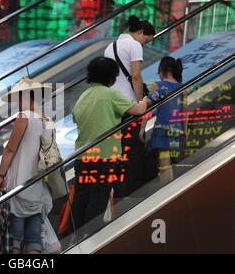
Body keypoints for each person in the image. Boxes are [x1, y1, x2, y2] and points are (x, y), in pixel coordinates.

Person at [71, 57, 150, 233]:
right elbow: (138, 110)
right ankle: (90, 237)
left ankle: (73, 239)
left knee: (80, 199)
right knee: (99, 198)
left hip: (82, 157)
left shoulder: (83, 96)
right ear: (111, 77)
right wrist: (146, 99)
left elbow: (75, 118)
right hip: (104, 157)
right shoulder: (110, 94)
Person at [0, 77, 52, 254]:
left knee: (15, 242)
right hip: (38, 187)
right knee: (34, 240)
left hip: (18, 186)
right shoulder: (47, 120)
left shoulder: (24, 117)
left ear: (25, 96)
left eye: (19, 97)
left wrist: (0, 176)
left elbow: (10, 150)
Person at [103, 15, 155, 196]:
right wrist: (141, 102)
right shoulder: (134, 46)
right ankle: (130, 192)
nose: (144, 45)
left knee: (117, 150)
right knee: (133, 151)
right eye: (146, 41)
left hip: (111, 105)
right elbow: (136, 76)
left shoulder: (110, 46)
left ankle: (115, 189)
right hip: (128, 106)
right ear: (140, 33)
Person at [141, 57, 186, 186]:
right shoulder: (182, 87)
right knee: (167, 160)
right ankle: (168, 188)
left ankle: (166, 190)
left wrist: (142, 128)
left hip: (162, 129)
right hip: (176, 129)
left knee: (164, 160)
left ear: (162, 70)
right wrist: (185, 130)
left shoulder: (159, 85)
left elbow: (148, 105)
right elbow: (185, 110)